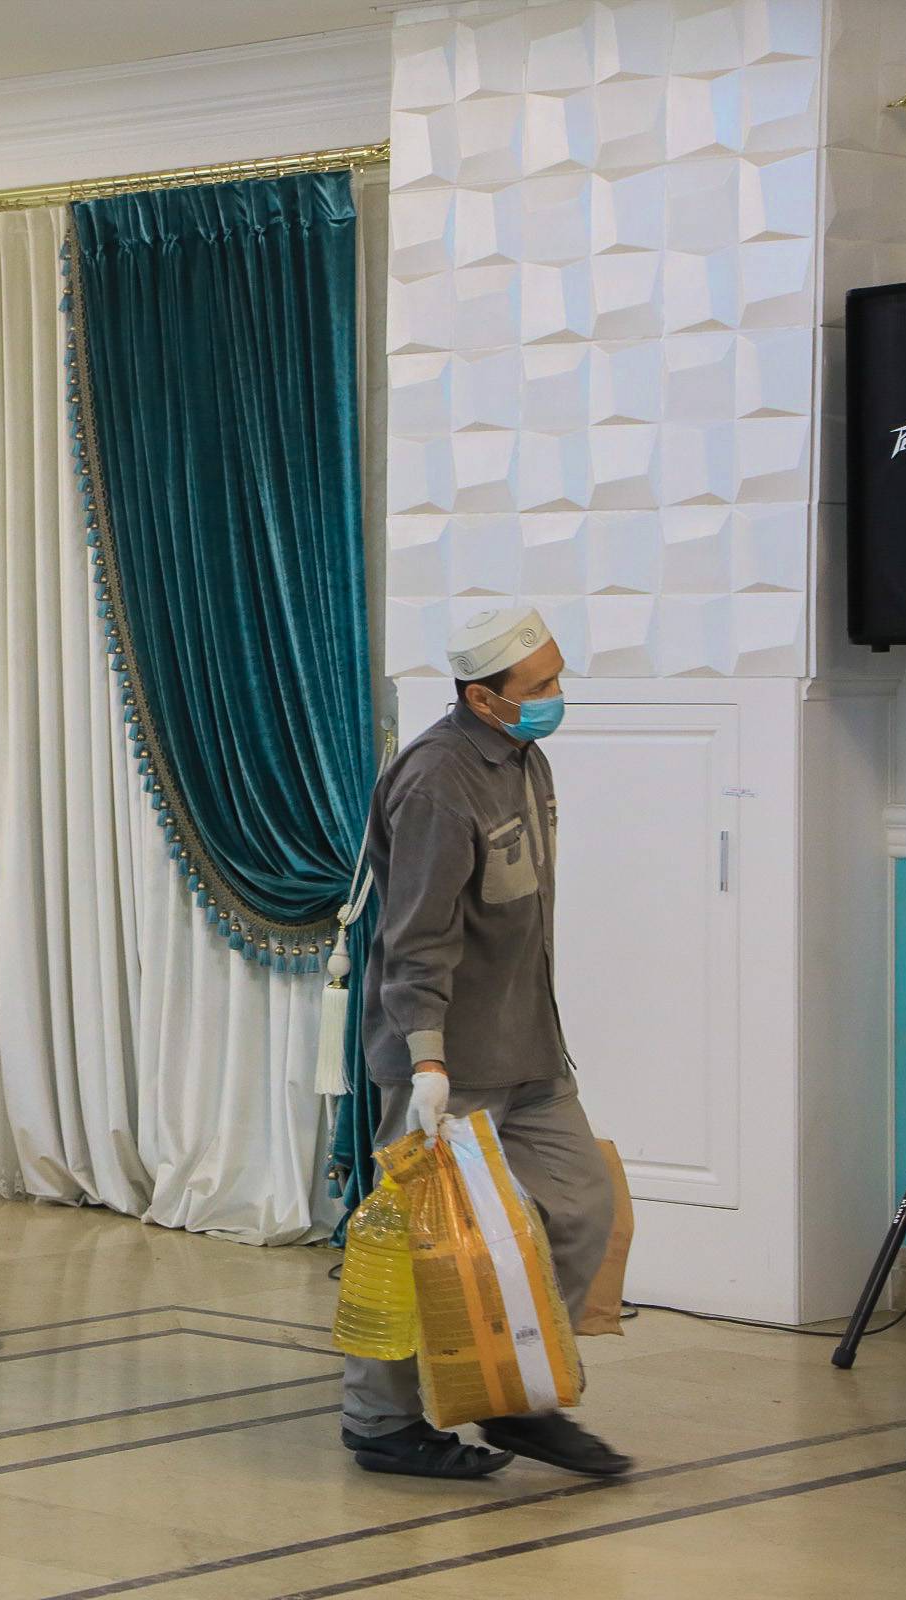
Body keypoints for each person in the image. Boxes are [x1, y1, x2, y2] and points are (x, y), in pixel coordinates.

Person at [342, 604, 633, 1480]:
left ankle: (514, 1395)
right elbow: (416, 936)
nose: (555, 695)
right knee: (414, 1243)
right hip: (445, 1058)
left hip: (530, 1046)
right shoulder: (438, 782)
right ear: (481, 695)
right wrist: (427, 1060)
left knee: (580, 1206)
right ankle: (380, 1424)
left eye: (556, 676)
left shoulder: (525, 759)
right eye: (539, 685)